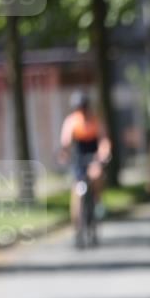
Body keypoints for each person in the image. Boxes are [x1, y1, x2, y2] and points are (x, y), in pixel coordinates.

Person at [59, 91, 111, 230]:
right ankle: (77, 222)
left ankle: (97, 201)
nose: (82, 110)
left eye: (83, 106)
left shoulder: (95, 121)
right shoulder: (71, 122)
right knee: (77, 189)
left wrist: (103, 153)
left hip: (93, 155)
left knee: (97, 175)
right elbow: (66, 142)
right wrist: (64, 153)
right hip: (78, 157)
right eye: (79, 107)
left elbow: (103, 141)